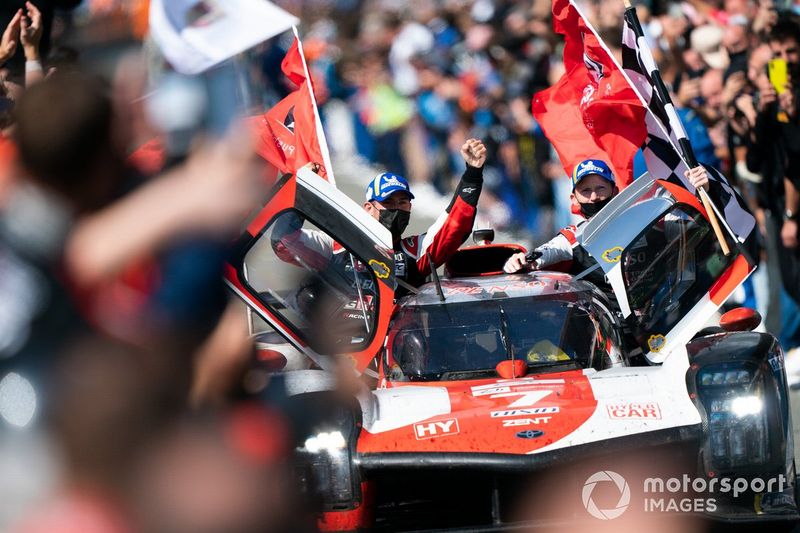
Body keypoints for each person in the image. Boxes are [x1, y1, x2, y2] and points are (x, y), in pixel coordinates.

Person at [273, 138, 487, 293]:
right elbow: (283, 242)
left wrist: (472, 174)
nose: (396, 209)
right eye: (388, 203)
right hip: (343, 345)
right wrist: (302, 192)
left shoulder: (414, 251)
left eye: (403, 203)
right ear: (368, 208)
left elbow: (454, 226)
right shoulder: (335, 244)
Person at [503, 159, 710, 274]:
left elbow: (698, 233)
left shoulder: (646, 218)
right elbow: (541, 255)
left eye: (600, 188)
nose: (594, 197)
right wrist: (520, 261)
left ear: (615, 191)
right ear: (573, 199)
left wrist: (704, 193)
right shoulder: (573, 238)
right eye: (585, 191)